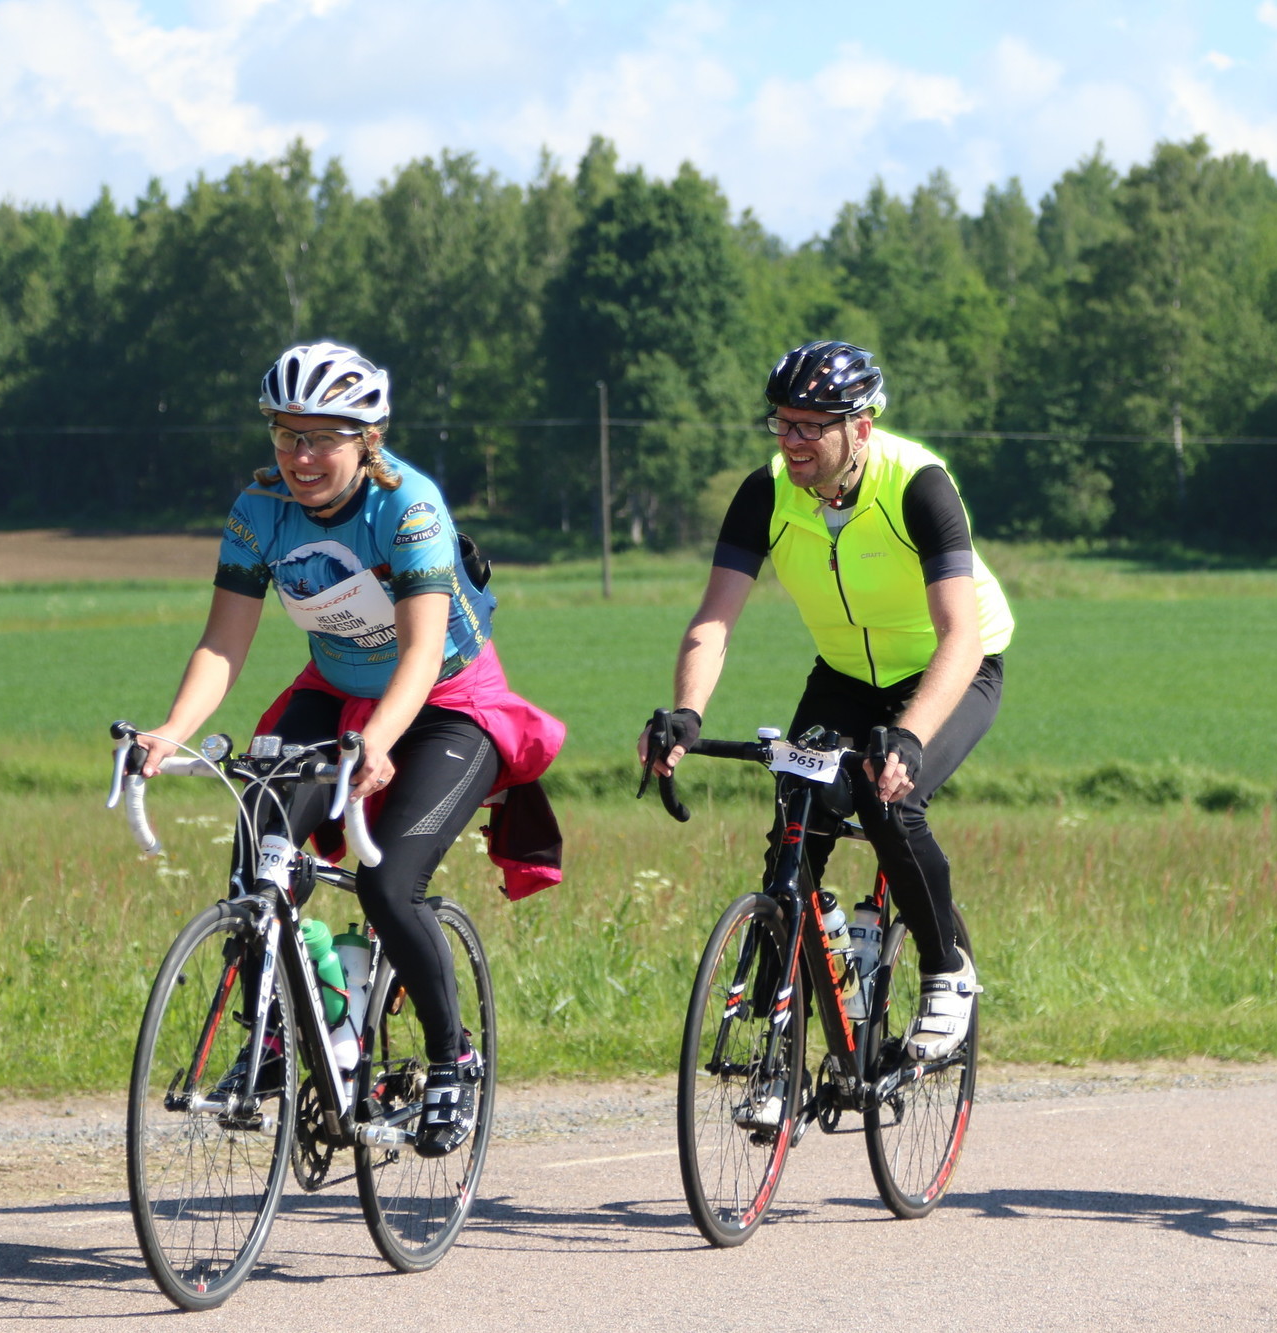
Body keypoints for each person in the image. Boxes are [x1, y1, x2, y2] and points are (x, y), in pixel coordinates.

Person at [140, 341, 562, 1157]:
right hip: (332, 693)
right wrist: (171, 729)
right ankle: (279, 1032)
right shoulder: (259, 508)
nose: (299, 456)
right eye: (285, 435)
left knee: (389, 882)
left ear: (367, 439)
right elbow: (223, 643)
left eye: (321, 438)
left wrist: (380, 739)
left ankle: (452, 1059)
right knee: (259, 842)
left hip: (445, 703)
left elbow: (422, 652)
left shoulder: (408, 507)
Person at [641, 340, 1014, 1082]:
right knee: (797, 811)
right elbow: (714, 618)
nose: (793, 440)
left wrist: (909, 736)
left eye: (812, 426)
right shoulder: (767, 493)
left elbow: (961, 635)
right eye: (783, 422)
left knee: (887, 800)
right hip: (845, 675)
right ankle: (795, 1006)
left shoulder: (918, 485)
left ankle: (947, 970)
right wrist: (686, 713)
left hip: (949, 669)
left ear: (861, 428)